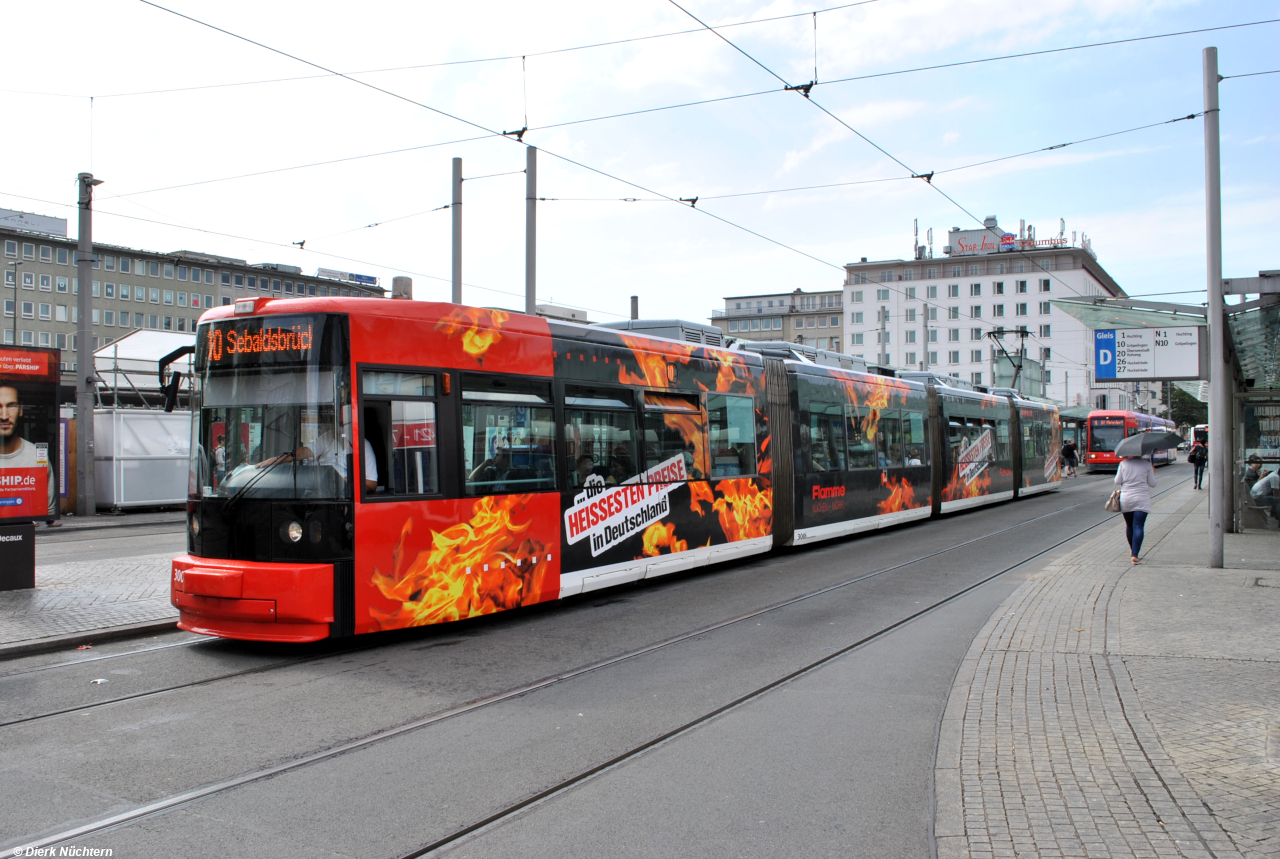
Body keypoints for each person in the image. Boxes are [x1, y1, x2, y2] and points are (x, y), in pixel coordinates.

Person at [0, 383, 57, 519]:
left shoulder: (35, 456)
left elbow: (49, 509)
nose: (4, 416)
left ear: (20, 409)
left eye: (11, 405)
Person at [1115, 453, 1156, 564]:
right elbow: (1153, 483)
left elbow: (1117, 481)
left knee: (1129, 525)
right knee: (1138, 525)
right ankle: (1135, 554)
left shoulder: (1123, 464)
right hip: (1142, 498)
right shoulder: (1147, 465)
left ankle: (1132, 549)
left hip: (1126, 498)